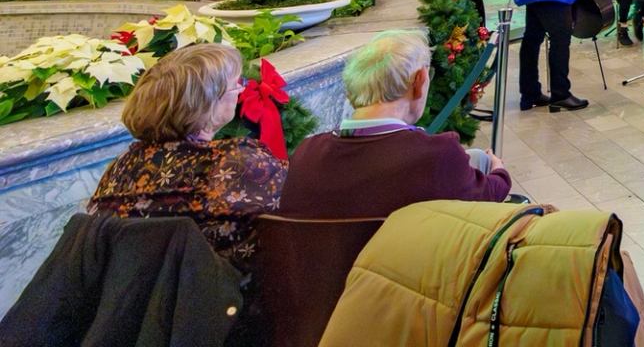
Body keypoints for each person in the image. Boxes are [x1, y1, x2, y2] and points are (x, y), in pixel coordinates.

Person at [86, 42, 285, 275]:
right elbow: (301, 222)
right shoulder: (236, 163)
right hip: (217, 303)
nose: (241, 91)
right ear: (207, 103)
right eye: (236, 86)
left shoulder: (121, 166)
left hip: (131, 302)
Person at [280, 31, 511, 219]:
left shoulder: (306, 154)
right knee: (483, 161)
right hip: (410, 274)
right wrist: (499, 171)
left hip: (326, 272)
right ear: (419, 82)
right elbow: (490, 194)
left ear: (352, 91)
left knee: (476, 158)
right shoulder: (436, 155)